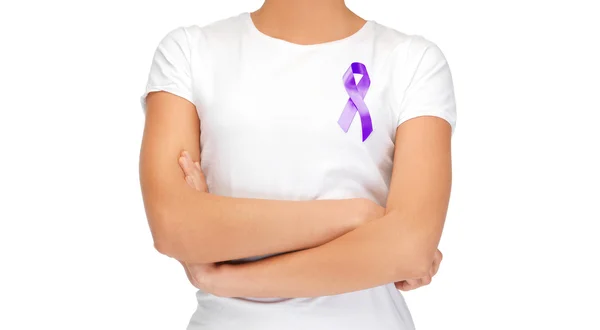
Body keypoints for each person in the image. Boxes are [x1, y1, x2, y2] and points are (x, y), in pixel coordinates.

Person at [139, 0, 456, 329]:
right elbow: (173, 225)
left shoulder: (412, 61)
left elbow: (410, 249)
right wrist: (358, 216)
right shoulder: (189, 52)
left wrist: (224, 279)